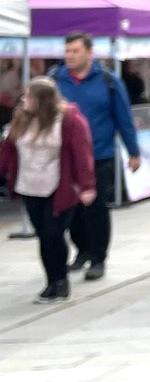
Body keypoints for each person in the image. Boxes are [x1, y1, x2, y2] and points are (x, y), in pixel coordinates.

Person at [51, 33, 140, 282]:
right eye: (67, 51)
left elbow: (123, 117)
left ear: (90, 53)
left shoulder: (108, 81)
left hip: (99, 155)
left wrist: (133, 151)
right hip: (64, 158)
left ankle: (98, 258)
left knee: (96, 208)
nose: (69, 55)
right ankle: (82, 250)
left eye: (75, 51)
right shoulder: (55, 80)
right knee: (71, 209)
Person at [0, 79, 96, 302]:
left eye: (29, 97)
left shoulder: (69, 120)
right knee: (44, 236)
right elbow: (8, 149)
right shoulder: (21, 120)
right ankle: (51, 281)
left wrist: (87, 185)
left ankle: (61, 281)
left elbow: (82, 154)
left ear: (42, 100)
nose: (24, 100)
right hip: (29, 186)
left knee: (54, 233)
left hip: (58, 187)